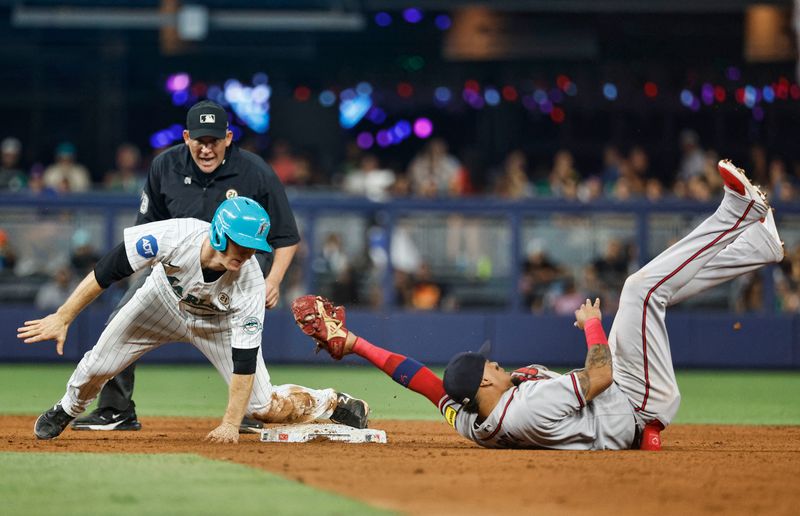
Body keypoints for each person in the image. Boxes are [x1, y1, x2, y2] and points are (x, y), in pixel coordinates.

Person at [291, 160, 784, 450]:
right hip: (635, 402)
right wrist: (593, 327)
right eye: (491, 363)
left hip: (620, 407)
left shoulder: (472, 418)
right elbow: (599, 378)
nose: (497, 362)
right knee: (640, 290)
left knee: (649, 291)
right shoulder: (527, 406)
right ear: (485, 381)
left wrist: (355, 343)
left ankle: (757, 247)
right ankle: (735, 215)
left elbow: (421, 381)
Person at [18, 197, 369, 443]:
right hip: (160, 301)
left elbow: (244, 361)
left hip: (216, 324)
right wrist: (63, 316)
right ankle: (66, 409)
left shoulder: (250, 281)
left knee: (262, 407)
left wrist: (232, 423)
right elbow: (107, 271)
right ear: (219, 232)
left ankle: (330, 402)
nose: (247, 252)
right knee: (98, 365)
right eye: (240, 243)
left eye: (253, 246)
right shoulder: (175, 234)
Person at [73, 99, 301, 433]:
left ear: (228, 137)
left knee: (245, 333)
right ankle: (116, 409)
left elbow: (286, 235)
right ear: (185, 137)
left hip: (238, 272)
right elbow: (145, 229)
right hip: (175, 268)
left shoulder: (255, 171)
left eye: (213, 140)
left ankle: (249, 409)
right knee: (120, 316)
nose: (206, 148)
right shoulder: (164, 166)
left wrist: (275, 278)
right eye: (199, 140)